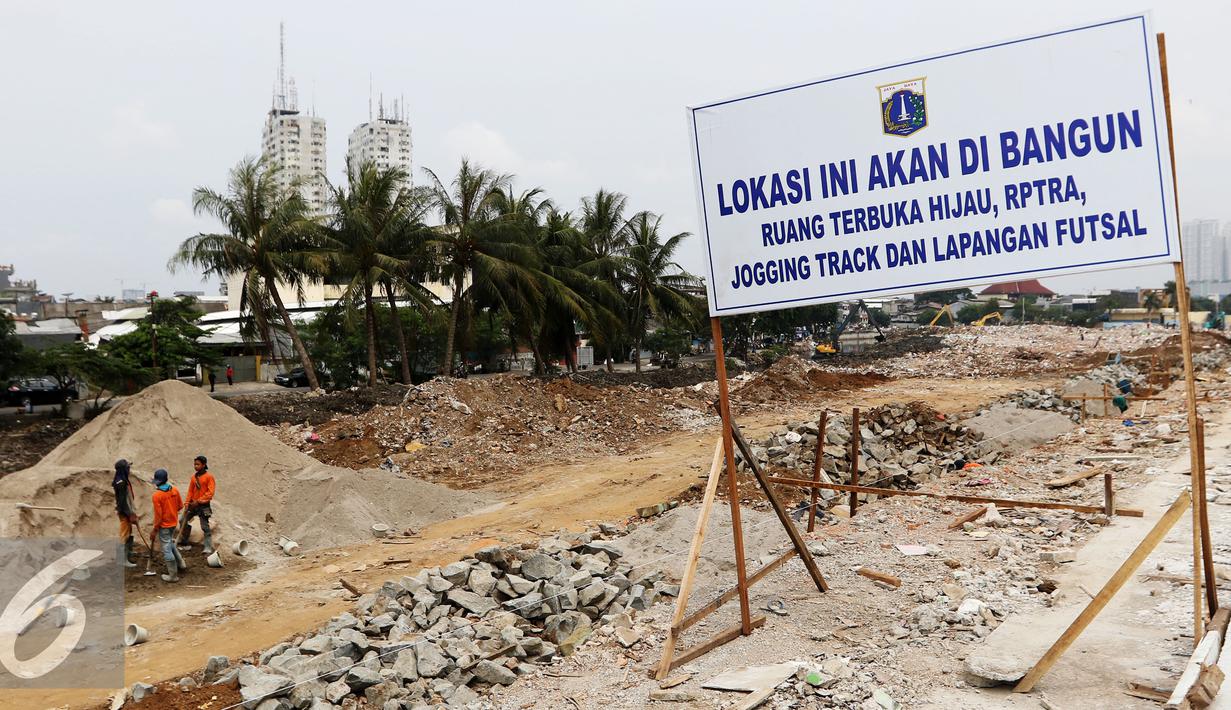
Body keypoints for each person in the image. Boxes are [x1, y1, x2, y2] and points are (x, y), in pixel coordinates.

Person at [150, 468, 186, 583]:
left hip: (164, 526)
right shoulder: (174, 490)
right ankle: (181, 563)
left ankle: (173, 575)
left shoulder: (157, 496)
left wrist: (155, 529)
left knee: (166, 549)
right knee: (170, 543)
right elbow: (180, 506)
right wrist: (171, 511)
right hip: (173, 523)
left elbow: (158, 516)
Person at [180, 455, 216, 555]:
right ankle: (185, 541)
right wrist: (187, 503)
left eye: (198, 464)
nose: (195, 466)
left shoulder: (209, 477)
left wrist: (199, 501)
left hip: (203, 506)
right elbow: (190, 491)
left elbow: (210, 493)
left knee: (205, 526)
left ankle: (208, 546)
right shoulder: (193, 477)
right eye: (195, 464)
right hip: (192, 505)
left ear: (204, 465)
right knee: (182, 520)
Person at [112, 459, 138, 569]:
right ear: (123, 469)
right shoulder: (121, 483)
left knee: (128, 533)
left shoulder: (123, 480)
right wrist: (130, 514)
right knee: (124, 535)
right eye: (127, 467)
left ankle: (128, 554)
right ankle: (122, 560)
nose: (129, 469)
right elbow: (123, 502)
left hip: (127, 511)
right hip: (124, 513)